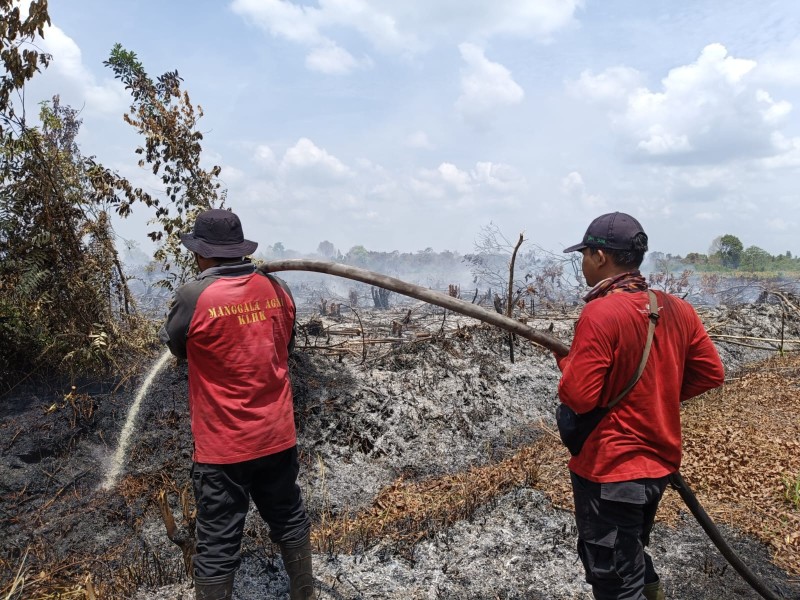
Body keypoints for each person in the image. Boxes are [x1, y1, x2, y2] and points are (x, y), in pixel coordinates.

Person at [556, 212, 724, 600]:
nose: (582, 263)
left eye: (584, 254)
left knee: (616, 581)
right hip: (658, 468)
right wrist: (657, 394)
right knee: (629, 552)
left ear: (599, 256)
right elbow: (712, 373)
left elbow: (580, 396)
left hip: (612, 470)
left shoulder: (600, 313)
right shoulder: (679, 309)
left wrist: (566, 364)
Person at [159, 208, 313, 600]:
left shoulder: (194, 296)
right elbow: (286, 346)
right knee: (289, 518)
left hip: (224, 447)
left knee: (218, 542)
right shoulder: (278, 290)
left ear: (203, 253)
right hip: (278, 435)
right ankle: (305, 593)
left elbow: (178, 347)